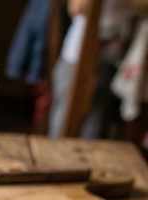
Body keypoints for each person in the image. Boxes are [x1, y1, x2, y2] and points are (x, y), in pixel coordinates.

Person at [50, 0, 133, 138]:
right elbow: (76, 7)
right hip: (76, 56)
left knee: (97, 119)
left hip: (111, 58)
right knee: (64, 117)